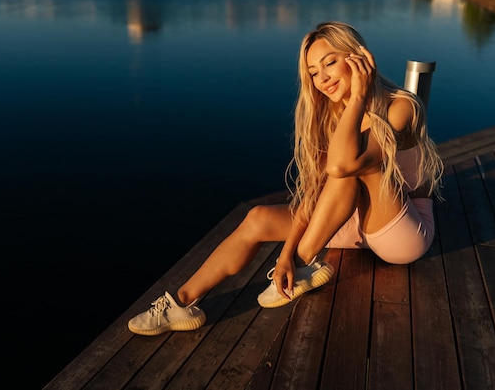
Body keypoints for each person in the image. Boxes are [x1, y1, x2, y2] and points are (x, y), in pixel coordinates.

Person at [127, 21, 444, 336]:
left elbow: (347, 166)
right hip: (353, 219)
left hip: (401, 232)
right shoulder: (330, 114)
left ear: (357, 57)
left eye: (329, 63)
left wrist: (360, 95)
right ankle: (181, 303)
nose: (322, 79)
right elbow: (315, 196)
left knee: (353, 167)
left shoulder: (400, 106)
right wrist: (284, 257)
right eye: (313, 72)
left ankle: (305, 261)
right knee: (258, 218)